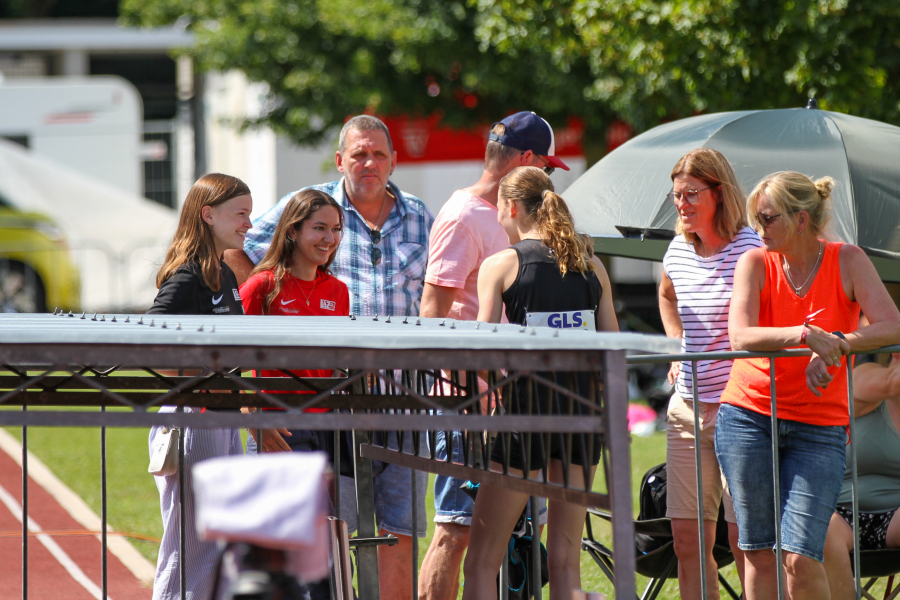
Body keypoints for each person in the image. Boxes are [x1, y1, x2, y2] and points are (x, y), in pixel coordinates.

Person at [225, 115, 433, 600]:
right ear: (340, 160)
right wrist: (254, 408)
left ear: (393, 161)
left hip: (394, 400)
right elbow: (238, 251)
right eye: (359, 154)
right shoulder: (303, 211)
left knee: (389, 530)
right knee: (300, 537)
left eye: (379, 154)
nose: (369, 163)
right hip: (305, 413)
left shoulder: (418, 217)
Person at [717, 171, 900, 600]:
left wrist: (836, 344)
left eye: (767, 218)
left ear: (801, 219)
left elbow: (892, 326)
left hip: (819, 426)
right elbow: (740, 336)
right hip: (748, 417)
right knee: (759, 552)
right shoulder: (754, 262)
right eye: (756, 219)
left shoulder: (848, 259)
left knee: (801, 555)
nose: (758, 228)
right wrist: (804, 336)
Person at [417, 111, 569, 600]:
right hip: (469, 401)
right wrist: (472, 391)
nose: (546, 177)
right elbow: (432, 312)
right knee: (457, 530)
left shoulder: (516, 216)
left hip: (516, 398)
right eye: (545, 165)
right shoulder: (463, 215)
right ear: (526, 158)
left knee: (513, 533)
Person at [461, 166, 618, 600]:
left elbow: (481, 353)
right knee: (565, 562)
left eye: (497, 206)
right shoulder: (590, 264)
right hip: (582, 418)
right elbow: (613, 347)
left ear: (511, 207)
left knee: (481, 562)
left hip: (524, 417)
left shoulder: (502, 264)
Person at [146, 173, 253, 600]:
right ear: (208, 215)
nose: (248, 223)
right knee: (193, 544)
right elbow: (149, 340)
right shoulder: (188, 276)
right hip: (195, 418)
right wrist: (193, 385)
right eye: (240, 213)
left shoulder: (223, 273)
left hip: (222, 418)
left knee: (223, 540)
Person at [658, 148, 758, 599]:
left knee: (745, 542)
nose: (681, 204)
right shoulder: (677, 249)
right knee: (686, 539)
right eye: (677, 195)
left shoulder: (751, 248)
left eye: (691, 194)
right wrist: (675, 346)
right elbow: (666, 295)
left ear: (719, 192)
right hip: (686, 409)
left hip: (742, 410)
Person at [824, 352, 900, 600]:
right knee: (823, 530)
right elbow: (887, 381)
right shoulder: (866, 378)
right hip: (839, 513)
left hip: (895, 516)